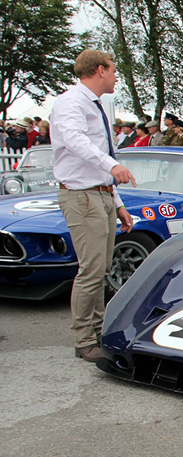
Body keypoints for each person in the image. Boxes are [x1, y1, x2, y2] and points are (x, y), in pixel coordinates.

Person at [50, 49, 137, 362]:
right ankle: (84, 339)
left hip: (99, 193)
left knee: (100, 269)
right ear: (100, 70)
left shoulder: (96, 105)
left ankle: (97, 331)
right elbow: (74, 140)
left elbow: (98, 163)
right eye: (113, 70)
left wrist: (117, 203)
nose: (116, 77)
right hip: (81, 194)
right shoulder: (71, 102)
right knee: (91, 270)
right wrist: (110, 164)